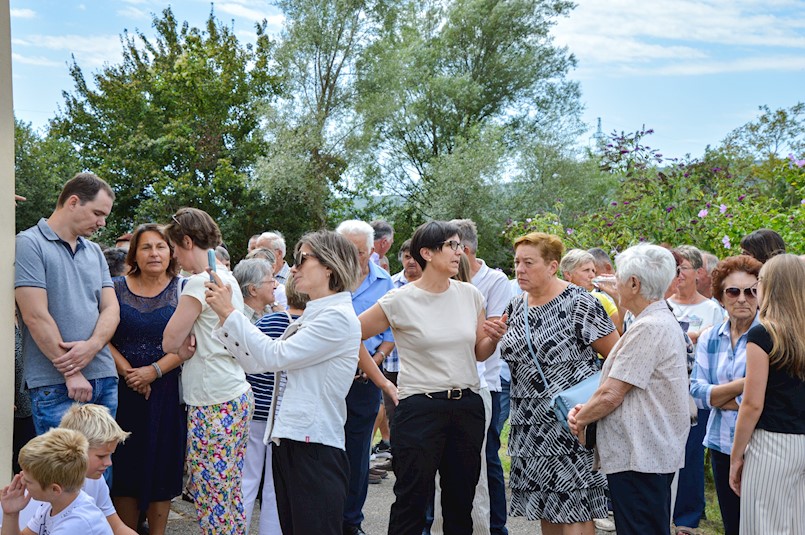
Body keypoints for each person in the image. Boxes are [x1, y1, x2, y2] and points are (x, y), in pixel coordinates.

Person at [204, 230, 395, 535]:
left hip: (313, 446)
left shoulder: (336, 318)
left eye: (301, 259)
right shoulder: (317, 315)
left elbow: (274, 356)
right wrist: (226, 317)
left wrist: (230, 312)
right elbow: (256, 362)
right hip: (294, 441)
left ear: (329, 267)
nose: (292, 268)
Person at [356, 220, 507, 535]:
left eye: (459, 245)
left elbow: (479, 352)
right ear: (426, 252)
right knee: (411, 499)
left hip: (467, 405)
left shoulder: (470, 295)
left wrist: (493, 338)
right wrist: (382, 380)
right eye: (451, 245)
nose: (459, 252)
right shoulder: (399, 299)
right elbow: (349, 334)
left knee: (460, 502)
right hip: (419, 408)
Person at [499, 232, 618, 535]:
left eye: (528, 262)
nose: (520, 269)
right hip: (530, 424)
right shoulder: (515, 306)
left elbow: (617, 359)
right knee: (548, 506)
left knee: (575, 505)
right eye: (516, 263)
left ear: (552, 266)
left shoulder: (580, 303)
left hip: (572, 420)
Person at [568, 243, 690, 535]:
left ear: (634, 284)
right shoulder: (653, 320)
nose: (615, 283)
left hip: (641, 456)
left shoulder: (650, 327)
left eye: (619, 277)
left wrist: (581, 417)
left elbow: (613, 392)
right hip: (645, 454)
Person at [162, 208, 253, 535]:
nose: (174, 256)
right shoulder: (227, 279)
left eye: (174, 248)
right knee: (228, 489)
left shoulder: (199, 283)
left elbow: (169, 340)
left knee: (209, 491)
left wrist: (182, 348)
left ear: (186, 241)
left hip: (212, 400)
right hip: (236, 393)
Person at [15, 173, 120, 435]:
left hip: (103, 375)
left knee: (100, 470)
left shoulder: (94, 251)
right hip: (55, 382)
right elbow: (35, 315)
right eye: (97, 213)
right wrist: (71, 372)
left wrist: (93, 346)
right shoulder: (29, 243)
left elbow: (111, 309)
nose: (102, 222)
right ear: (73, 202)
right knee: (62, 472)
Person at [107, 224, 186, 535]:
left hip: (166, 390)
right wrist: (129, 372)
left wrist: (152, 371)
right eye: (146, 247)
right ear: (134, 254)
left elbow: (189, 343)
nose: (154, 253)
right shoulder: (115, 287)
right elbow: (101, 335)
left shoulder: (183, 289)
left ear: (171, 252)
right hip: (123, 389)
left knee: (162, 465)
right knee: (125, 465)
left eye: (160, 247)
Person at [729, 254, 805, 534]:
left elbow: (751, 404)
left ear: (769, 286)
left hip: (773, 443)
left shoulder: (763, 334)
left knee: (763, 525)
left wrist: (736, 456)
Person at [689, 255, 762, 535]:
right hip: (720, 444)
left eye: (751, 291)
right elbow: (697, 393)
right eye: (733, 291)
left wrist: (721, 397)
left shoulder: (769, 336)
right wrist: (746, 383)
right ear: (720, 296)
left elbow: (764, 400)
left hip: (758, 445)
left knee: (759, 525)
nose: (742, 298)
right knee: (732, 525)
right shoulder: (709, 337)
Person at [450, 218, 511, 535]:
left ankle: (496, 527)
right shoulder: (441, 283)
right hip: (453, 385)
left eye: (450, 246)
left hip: (486, 382)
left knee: (488, 457)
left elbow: (488, 333)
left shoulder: (495, 281)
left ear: (465, 250)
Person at [336, 220, 396, 535]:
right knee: (326, 452)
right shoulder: (326, 277)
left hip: (364, 379)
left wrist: (376, 359)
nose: (352, 257)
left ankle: (351, 521)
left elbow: (390, 333)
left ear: (371, 251)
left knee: (358, 454)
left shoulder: (385, 283)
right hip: (328, 378)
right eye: (346, 249)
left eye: (358, 252)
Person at [668, 245, 725, 532]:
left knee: (690, 455)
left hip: (694, 391)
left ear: (697, 272)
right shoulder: (666, 304)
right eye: (674, 270)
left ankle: (687, 519)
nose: (677, 276)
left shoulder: (711, 309)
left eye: (682, 270)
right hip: (664, 392)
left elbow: (715, 348)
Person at [232, 257, 283, 534]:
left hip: (261, 413)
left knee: (254, 479)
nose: (275, 285)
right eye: (269, 281)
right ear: (252, 289)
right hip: (258, 412)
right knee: (251, 480)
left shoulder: (263, 318)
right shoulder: (242, 321)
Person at [1, 428, 112, 535]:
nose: (22, 480)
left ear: (55, 489)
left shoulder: (76, 524)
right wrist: (11, 514)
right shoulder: (54, 504)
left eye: (29, 481)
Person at [560, 248, 621, 333]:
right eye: (586, 270)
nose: (592, 275)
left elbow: (622, 328)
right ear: (568, 275)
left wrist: (616, 297)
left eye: (593, 271)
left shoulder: (599, 298)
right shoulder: (557, 302)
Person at [255, 231, 291, 309]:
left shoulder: (294, 278)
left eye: (263, 250)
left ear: (279, 253)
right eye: (255, 250)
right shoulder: (254, 278)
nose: (257, 254)